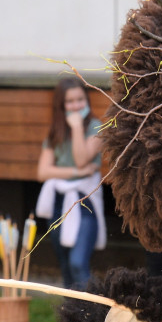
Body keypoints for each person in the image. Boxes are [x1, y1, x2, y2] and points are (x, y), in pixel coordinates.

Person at [35, 77, 106, 289]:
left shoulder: (96, 127)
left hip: (85, 203)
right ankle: (73, 319)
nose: (75, 106)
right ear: (61, 105)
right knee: (66, 266)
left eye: (80, 100)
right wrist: (77, 172)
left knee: (78, 263)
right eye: (70, 101)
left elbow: (82, 157)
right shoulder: (55, 132)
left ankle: (92, 315)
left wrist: (76, 128)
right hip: (58, 204)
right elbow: (43, 171)